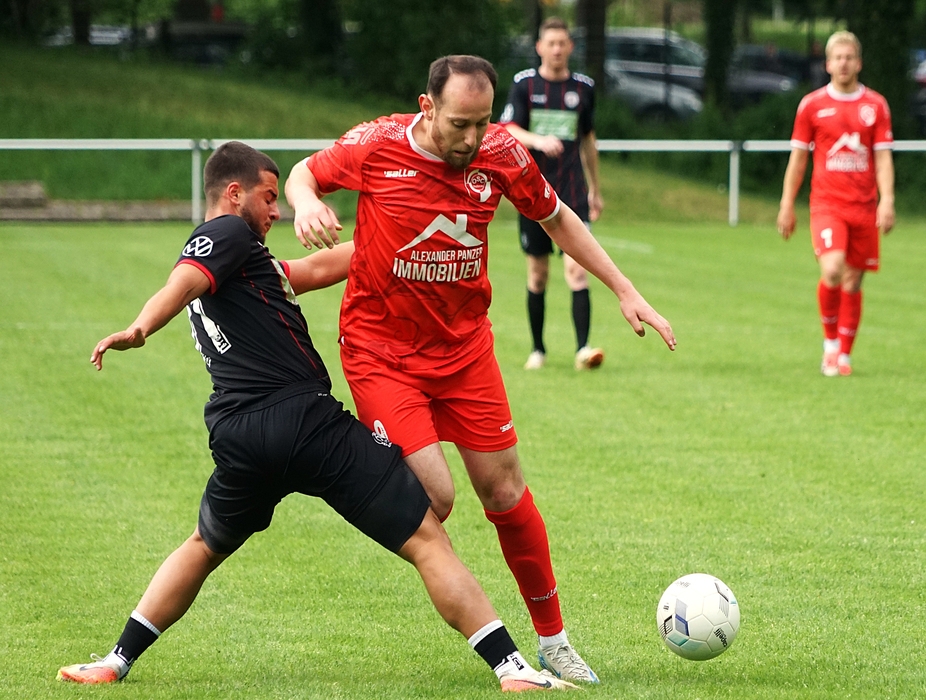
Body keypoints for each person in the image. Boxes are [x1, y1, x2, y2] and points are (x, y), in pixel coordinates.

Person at [56, 142, 575, 693]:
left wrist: (397, 236)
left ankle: (117, 659)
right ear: (233, 194)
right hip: (304, 422)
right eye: (267, 197)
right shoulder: (226, 234)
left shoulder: (243, 266)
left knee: (203, 545)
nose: (275, 211)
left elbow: (316, 267)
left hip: (240, 437)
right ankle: (511, 667)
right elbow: (182, 280)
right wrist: (140, 327)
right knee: (427, 538)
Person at [285, 55, 676, 684]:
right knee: (435, 499)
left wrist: (624, 289)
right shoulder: (378, 144)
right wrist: (305, 203)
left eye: (483, 122)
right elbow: (304, 172)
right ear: (427, 107)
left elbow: (557, 217)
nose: (472, 138)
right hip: (382, 353)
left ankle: (554, 641)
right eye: (459, 123)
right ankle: (353, 464)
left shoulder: (501, 153)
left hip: (465, 351)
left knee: (505, 492)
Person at [776, 31, 895, 377]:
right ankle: (830, 345)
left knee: (853, 280)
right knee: (832, 269)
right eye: (837, 58)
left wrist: (887, 200)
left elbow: (883, 159)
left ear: (859, 63)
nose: (843, 63)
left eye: (849, 57)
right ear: (828, 64)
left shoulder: (876, 105)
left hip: (864, 206)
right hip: (827, 204)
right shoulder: (811, 105)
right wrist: (786, 204)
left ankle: (845, 354)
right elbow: (798, 160)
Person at [499, 17, 605, 371]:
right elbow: (507, 129)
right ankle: (538, 349)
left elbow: (588, 141)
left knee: (578, 270)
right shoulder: (524, 85)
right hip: (533, 194)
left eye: (563, 43)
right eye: (551, 43)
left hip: (573, 195)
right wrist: (538, 140)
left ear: (570, 47)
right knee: (538, 274)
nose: (557, 49)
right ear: (540, 47)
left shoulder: (583, 88)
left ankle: (583, 349)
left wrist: (595, 190)